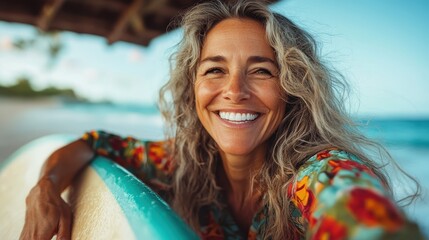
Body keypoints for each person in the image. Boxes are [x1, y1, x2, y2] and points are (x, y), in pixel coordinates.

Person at [20, 1, 423, 239]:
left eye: (262, 71)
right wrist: (47, 186)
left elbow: (361, 218)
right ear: (192, 87)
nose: (235, 90)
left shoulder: (319, 175)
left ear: (293, 89)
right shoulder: (184, 163)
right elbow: (94, 143)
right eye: (215, 70)